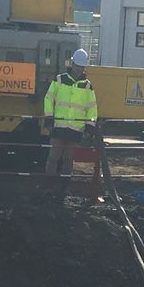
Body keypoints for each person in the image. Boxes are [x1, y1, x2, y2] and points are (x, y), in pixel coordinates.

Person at [42, 46, 96, 192]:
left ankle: (63, 188)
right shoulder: (59, 80)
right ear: (72, 64)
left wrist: (90, 126)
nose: (80, 69)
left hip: (75, 130)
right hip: (59, 127)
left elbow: (92, 108)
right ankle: (49, 185)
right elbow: (48, 99)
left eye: (82, 66)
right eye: (78, 66)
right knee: (53, 157)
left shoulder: (88, 86)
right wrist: (49, 118)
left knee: (68, 160)